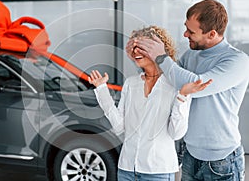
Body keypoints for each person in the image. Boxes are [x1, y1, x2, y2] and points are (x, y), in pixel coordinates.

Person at [127, 0, 249, 181]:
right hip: (190, 154)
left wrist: (161, 56)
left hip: (223, 161)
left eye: (191, 31)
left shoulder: (236, 61)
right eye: (186, 27)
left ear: (211, 34)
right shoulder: (191, 54)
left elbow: (196, 86)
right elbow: (167, 80)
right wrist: (140, 57)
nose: (185, 34)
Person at [88, 25, 212, 181]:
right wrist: (101, 90)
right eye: (134, 48)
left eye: (142, 47)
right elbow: (119, 126)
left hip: (158, 171)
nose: (135, 52)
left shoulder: (176, 85)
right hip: (126, 169)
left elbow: (177, 133)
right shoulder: (131, 83)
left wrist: (182, 97)